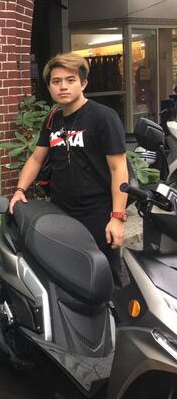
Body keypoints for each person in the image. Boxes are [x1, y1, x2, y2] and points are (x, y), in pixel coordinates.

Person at [9, 52, 128, 284]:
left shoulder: (103, 117)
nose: (63, 86)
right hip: (61, 211)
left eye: (70, 80)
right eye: (56, 81)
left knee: (103, 276)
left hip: (97, 213)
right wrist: (20, 190)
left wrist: (117, 218)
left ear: (83, 83)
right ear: (49, 88)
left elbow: (118, 169)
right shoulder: (53, 119)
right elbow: (36, 159)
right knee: (67, 273)